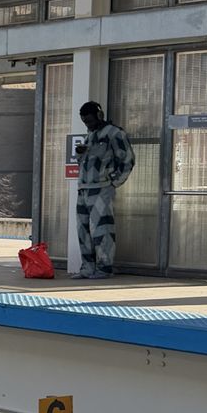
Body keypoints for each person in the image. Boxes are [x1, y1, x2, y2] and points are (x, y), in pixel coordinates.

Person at [74, 101, 135, 279]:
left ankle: (105, 268)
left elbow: (127, 161)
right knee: (83, 230)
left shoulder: (115, 133)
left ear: (100, 115)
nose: (88, 125)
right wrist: (80, 153)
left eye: (90, 121)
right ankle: (87, 267)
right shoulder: (90, 135)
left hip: (101, 188)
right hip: (84, 188)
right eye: (85, 122)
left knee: (102, 229)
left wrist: (113, 183)